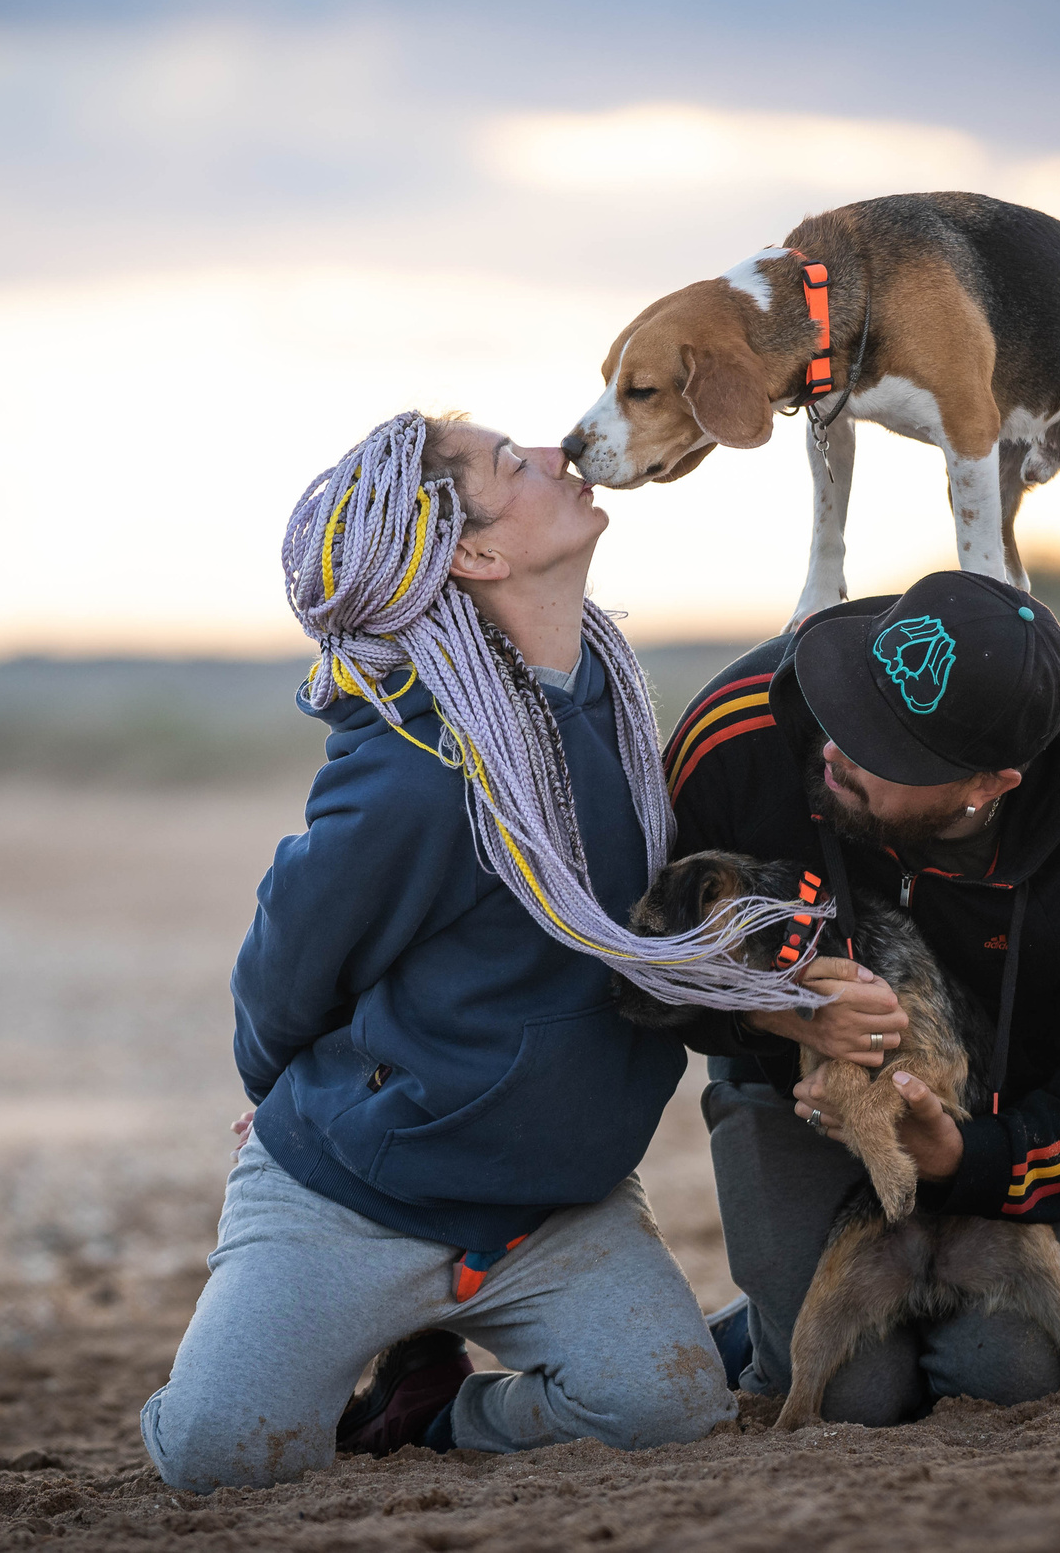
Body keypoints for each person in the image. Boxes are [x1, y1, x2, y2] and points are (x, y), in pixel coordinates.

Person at [141, 410, 784, 1492]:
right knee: (222, 1461)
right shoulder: (414, 766)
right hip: (358, 1199)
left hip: (552, 1207)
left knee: (668, 1413)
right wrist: (295, 1094)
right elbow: (285, 968)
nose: (553, 452)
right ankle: (314, 1335)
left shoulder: (620, 710)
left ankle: (433, 1412)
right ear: (475, 553)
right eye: (508, 461)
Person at [664, 569, 1060, 1423]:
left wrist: (973, 1157)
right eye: (851, 703)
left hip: (1025, 1118)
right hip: (789, 1097)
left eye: (887, 748)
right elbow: (629, 956)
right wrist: (768, 1006)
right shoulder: (742, 734)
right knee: (850, 1393)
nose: (836, 746)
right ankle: (763, 1331)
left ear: (990, 785)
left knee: (1012, 1374)